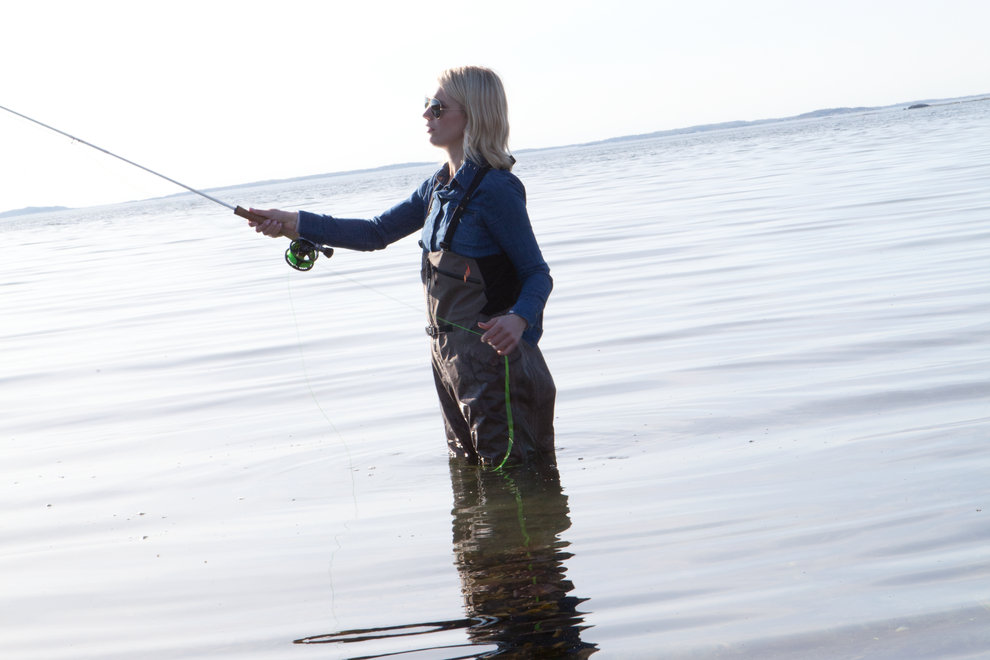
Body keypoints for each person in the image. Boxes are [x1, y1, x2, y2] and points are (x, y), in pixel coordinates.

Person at [247, 66, 556, 467]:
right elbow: (376, 233)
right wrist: (295, 222)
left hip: (497, 366)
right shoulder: (436, 186)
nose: (426, 115)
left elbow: (537, 274)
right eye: (427, 106)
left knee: (514, 480)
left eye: (437, 107)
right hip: (448, 359)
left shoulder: (496, 189)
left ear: (473, 115)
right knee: (466, 478)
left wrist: (518, 318)